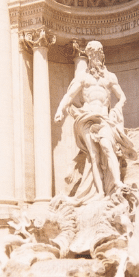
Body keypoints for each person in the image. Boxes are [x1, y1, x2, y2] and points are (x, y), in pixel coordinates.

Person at [55, 41, 128, 198]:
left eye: (97, 54)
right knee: (94, 155)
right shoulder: (83, 77)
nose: (94, 58)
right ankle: (100, 192)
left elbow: (122, 97)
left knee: (107, 146)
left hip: (104, 118)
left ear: (102, 55)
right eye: (91, 55)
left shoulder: (110, 77)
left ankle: (117, 183)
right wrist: (60, 109)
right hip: (87, 118)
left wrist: (117, 108)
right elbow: (69, 96)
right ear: (88, 57)